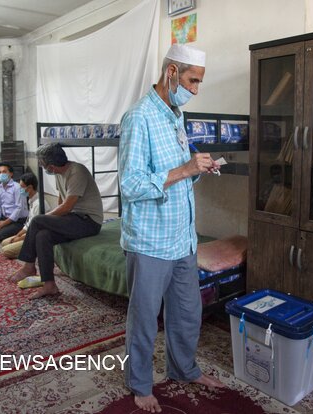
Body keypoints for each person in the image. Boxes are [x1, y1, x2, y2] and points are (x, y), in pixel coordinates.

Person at [118, 44, 224, 413]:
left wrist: (198, 169)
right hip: (149, 240)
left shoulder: (175, 116)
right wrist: (184, 170)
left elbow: (175, 176)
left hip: (182, 237)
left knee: (187, 311)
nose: (196, 89)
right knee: (145, 317)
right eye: (193, 80)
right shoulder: (139, 118)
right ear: (172, 73)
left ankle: (184, 368)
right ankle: (141, 383)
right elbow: (130, 185)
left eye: (200, 82)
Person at [10, 143, 103, 299]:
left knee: (38, 220)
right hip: (73, 218)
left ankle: (29, 266)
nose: (42, 166)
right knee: (43, 236)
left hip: (89, 221)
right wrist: (50, 219)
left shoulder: (77, 172)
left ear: (51, 166)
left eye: (42, 163)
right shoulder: (59, 173)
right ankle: (49, 284)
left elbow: (67, 206)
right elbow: (62, 200)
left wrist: (46, 218)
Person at [1, 172, 49, 259]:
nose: (20, 190)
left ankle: (35, 250)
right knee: (4, 243)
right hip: (29, 232)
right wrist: (17, 236)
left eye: (22, 187)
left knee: (6, 251)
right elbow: (27, 225)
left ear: (30, 188)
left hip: (35, 236)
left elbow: (33, 230)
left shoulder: (39, 204)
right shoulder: (31, 200)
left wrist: (18, 239)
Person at [0, 162, 28, 241]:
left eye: (4, 172)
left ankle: (17, 232)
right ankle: (4, 229)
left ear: (11, 174)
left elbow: (19, 208)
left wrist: (4, 223)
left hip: (18, 221)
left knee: (0, 235)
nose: (1, 174)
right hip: (5, 219)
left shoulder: (17, 187)